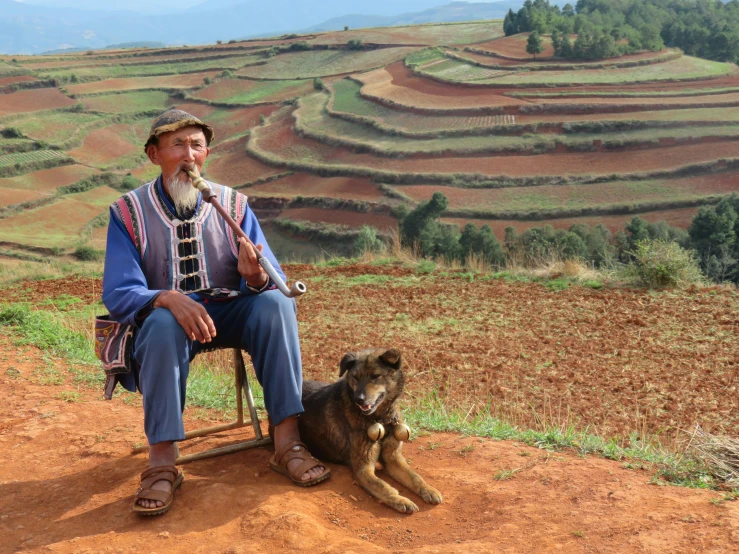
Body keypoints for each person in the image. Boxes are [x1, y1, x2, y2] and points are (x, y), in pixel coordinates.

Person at [102, 109, 329, 516]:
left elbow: (272, 277)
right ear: (154, 154)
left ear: (206, 154)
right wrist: (166, 298)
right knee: (159, 326)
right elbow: (119, 291)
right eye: (177, 145)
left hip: (232, 311)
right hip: (169, 322)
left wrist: (255, 277)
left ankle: (287, 443)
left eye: (197, 145)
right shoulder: (127, 213)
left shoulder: (234, 204)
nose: (189, 155)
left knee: (276, 305)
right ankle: (162, 464)